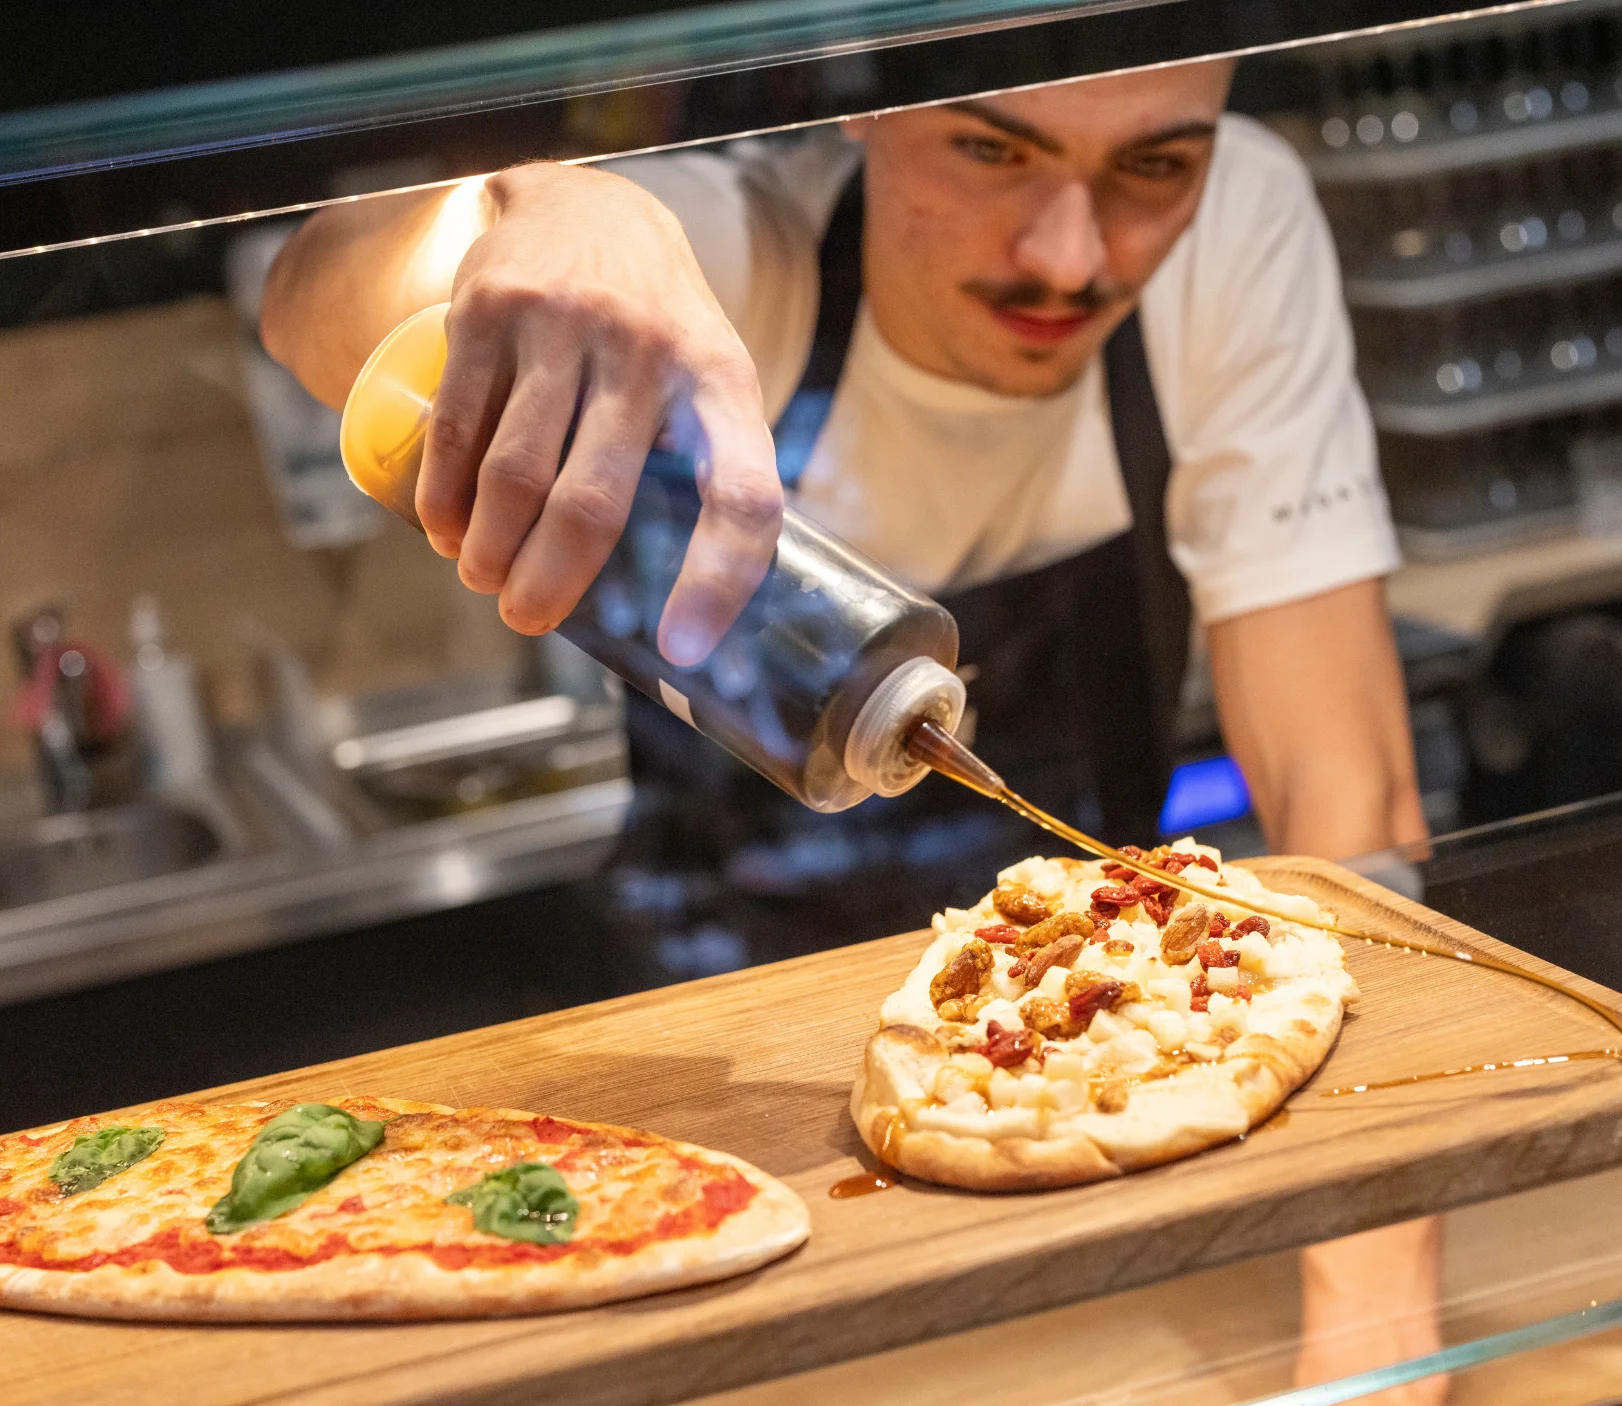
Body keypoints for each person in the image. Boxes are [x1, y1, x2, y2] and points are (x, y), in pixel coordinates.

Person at [262, 59, 1442, 1401]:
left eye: (1150, 169)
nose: (1067, 255)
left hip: (1110, 1104)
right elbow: (307, 296)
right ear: (865, 101)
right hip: (718, 1117)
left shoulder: (1235, 231)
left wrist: (1382, 1327)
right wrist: (545, 212)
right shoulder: (721, 252)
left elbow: (1341, 790)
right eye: (993, 152)